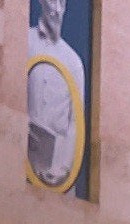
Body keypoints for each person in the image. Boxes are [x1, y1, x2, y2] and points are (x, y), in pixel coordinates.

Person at [26, 0, 84, 189]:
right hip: (26, 157)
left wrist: (63, 169)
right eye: (52, 0)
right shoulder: (26, 41)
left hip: (58, 170)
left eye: (62, 2)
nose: (56, 9)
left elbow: (75, 122)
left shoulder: (73, 61)